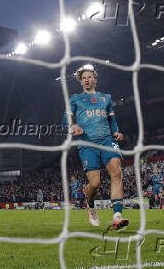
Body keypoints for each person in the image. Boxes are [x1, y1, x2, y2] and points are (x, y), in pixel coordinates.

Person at [63, 64, 128, 230]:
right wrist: (72, 127)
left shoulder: (105, 98)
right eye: (83, 78)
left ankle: (117, 216)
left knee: (116, 171)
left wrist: (116, 132)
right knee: (95, 183)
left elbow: (112, 120)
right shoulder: (75, 98)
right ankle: (90, 205)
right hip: (87, 143)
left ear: (95, 79)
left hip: (107, 141)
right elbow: (66, 118)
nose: (86, 80)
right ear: (81, 81)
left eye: (89, 77)